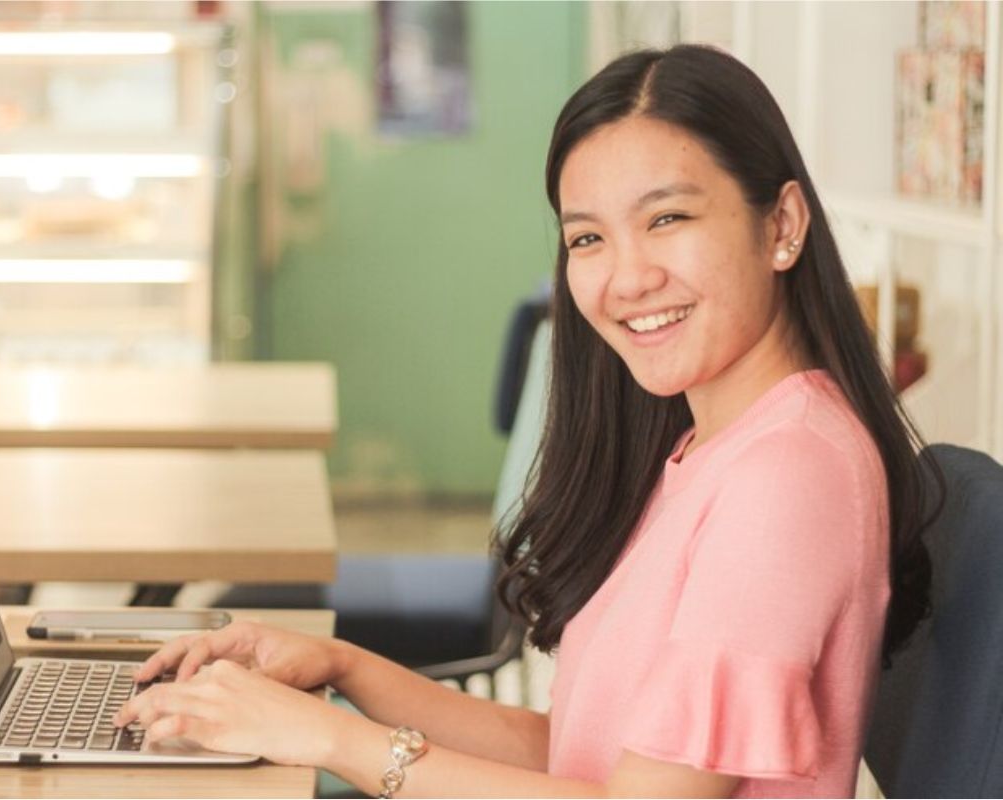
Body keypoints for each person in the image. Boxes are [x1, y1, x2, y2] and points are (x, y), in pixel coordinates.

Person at [114, 44, 941, 798]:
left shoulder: (789, 473)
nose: (626, 280)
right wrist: (341, 668)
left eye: (667, 219)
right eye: (588, 239)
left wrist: (329, 737)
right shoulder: (711, 447)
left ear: (782, 226)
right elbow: (575, 754)